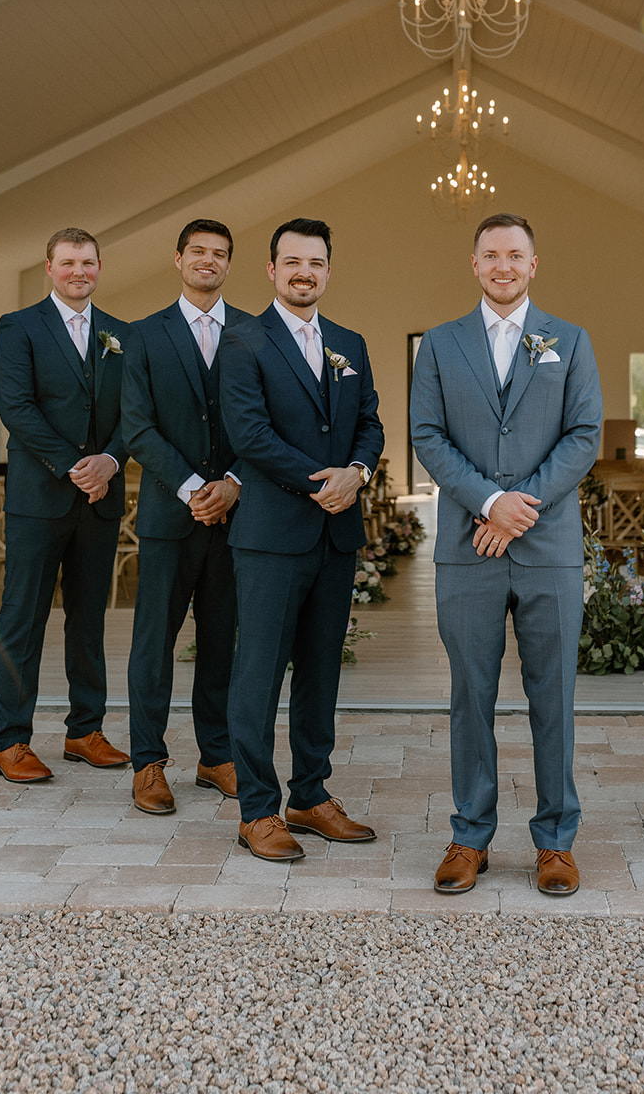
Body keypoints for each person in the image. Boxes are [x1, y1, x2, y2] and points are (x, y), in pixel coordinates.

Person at [410, 213, 603, 897]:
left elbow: (583, 434)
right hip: (470, 546)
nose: (502, 266)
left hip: (548, 546)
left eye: (514, 255)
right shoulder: (439, 344)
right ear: (474, 264)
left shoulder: (569, 340)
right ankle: (470, 834)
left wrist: (522, 506)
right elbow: (426, 434)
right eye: (490, 255)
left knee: (554, 697)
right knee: (470, 694)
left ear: (533, 263)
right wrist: (489, 502)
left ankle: (555, 841)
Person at [218, 218, 384, 861]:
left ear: (328, 271)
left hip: (335, 536)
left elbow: (370, 422)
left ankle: (310, 796)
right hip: (270, 535)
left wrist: (357, 471)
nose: (303, 273)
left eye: (315, 262)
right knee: (257, 676)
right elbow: (250, 434)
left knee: (320, 673)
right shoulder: (243, 340)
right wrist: (324, 481)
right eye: (292, 262)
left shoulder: (350, 343)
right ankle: (257, 810)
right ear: (272, 270)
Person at [121, 219, 252, 814]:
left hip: (236, 518)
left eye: (219, 253)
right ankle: (148, 762)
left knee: (222, 642)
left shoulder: (254, 331)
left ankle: (216, 755)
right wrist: (196, 487)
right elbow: (136, 426)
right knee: (154, 643)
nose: (208, 260)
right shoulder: (144, 335)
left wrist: (233, 484)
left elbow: (268, 422)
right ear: (178, 259)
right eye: (198, 251)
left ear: (229, 264)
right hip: (169, 517)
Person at [0, 228, 130, 782]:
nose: (79, 271)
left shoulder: (121, 334)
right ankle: (11, 742)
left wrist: (111, 461)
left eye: (88, 262)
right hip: (39, 498)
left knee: (89, 621)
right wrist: (76, 466)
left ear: (99, 268)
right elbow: (16, 407)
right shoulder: (19, 326)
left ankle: (84, 731)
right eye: (68, 262)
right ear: (49, 267)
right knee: (22, 619)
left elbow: (136, 411)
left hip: (100, 500)